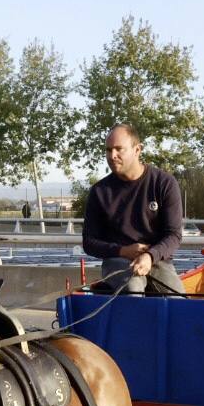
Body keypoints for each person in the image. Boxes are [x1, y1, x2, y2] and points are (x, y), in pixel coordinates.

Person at [81, 123, 185, 295]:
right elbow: (89, 242)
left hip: (157, 260)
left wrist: (150, 256)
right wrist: (122, 251)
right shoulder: (99, 191)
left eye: (118, 149)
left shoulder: (164, 183)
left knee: (179, 302)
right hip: (117, 262)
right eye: (108, 150)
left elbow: (174, 235)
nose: (112, 155)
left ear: (137, 150)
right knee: (134, 289)